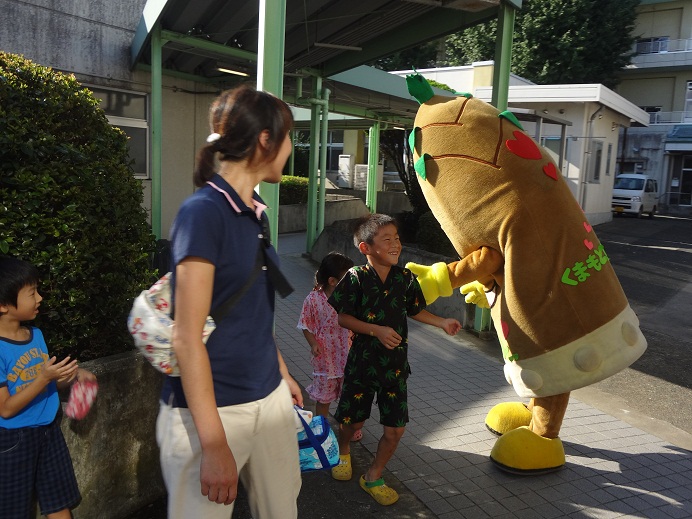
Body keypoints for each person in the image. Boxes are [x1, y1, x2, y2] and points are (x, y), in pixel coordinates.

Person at [156, 84, 303, 519]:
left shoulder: (257, 211)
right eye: (289, 135)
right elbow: (186, 337)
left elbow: (251, 310)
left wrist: (281, 373)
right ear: (265, 139)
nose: (292, 147)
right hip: (211, 414)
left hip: (269, 399)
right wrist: (214, 444)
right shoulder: (202, 213)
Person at [328, 214, 462, 506]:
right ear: (366, 248)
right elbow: (343, 317)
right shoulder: (355, 278)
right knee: (352, 421)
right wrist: (376, 330)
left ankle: (373, 476)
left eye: (397, 238)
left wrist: (442, 323)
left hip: (395, 366)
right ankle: (344, 452)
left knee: (396, 429)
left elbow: (414, 309)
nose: (395, 244)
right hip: (362, 364)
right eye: (387, 239)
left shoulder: (405, 278)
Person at [0, 257, 97, 519]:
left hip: (49, 431)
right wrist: (43, 378)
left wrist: (74, 377)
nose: (40, 298)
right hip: (13, 441)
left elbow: (48, 382)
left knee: (59, 502)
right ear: (3, 305)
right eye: (32, 293)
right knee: (13, 511)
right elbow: (6, 409)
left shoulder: (36, 336)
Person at [297, 252, 359, 436]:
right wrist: (313, 343)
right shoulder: (313, 299)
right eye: (347, 278)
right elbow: (305, 324)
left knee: (349, 397)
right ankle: (320, 429)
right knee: (324, 398)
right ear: (332, 281)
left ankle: (350, 429)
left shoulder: (351, 296)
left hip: (349, 355)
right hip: (325, 358)